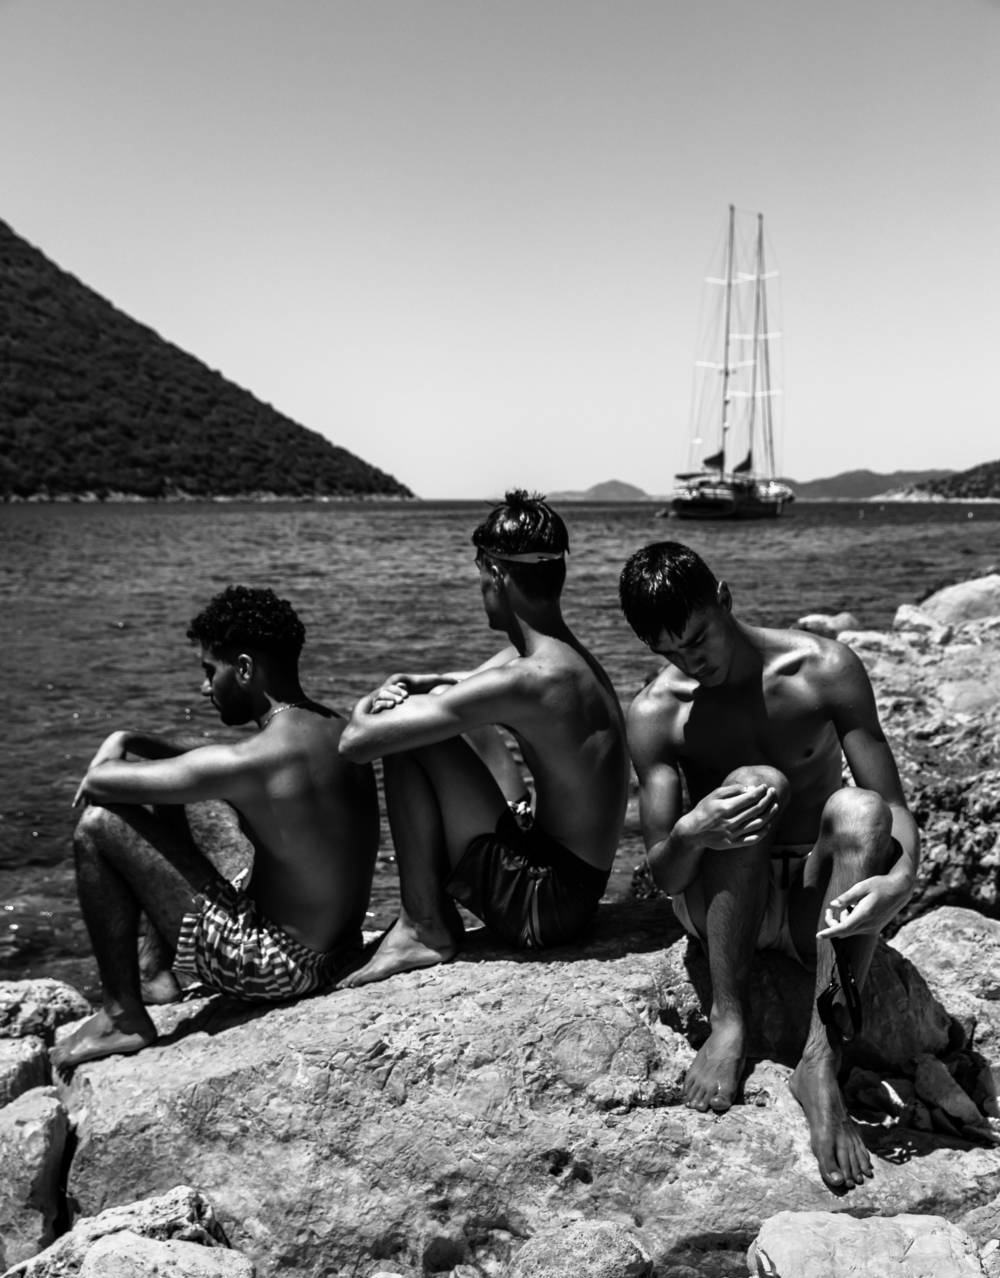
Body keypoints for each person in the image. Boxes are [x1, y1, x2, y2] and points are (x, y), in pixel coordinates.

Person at [618, 541, 919, 1194]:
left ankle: (819, 1062)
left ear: (724, 599)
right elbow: (666, 874)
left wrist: (901, 880)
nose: (692, 661)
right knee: (757, 782)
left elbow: (892, 805)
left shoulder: (824, 668)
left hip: (819, 899)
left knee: (862, 810)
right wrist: (692, 830)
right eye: (670, 651)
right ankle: (730, 1020)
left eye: (699, 638)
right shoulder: (656, 712)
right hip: (728, 903)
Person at [53, 585, 379, 1070]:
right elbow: (206, 764)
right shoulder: (337, 728)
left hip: (277, 969)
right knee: (180, 794)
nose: (204, 689)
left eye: (210, 672)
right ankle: (156, 974)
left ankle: (121, 1015)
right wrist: (136, 739)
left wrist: (116, 742)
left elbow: (100, 784)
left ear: (244, 668)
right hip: (338, 951)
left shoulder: (255, 759)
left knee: (99, 825)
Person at [337, 490, 630, 985]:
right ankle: (428, 917)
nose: (481, 591)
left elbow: (356, 743)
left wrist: (369, 704)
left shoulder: (532, 678)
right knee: (443, 713)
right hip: (571, 886)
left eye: (480, 578)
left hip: (545, 906)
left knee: (410, 737)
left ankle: (423, 925)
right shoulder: (561, 657)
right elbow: (461, 687)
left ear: (497, 575)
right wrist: (411, 683)